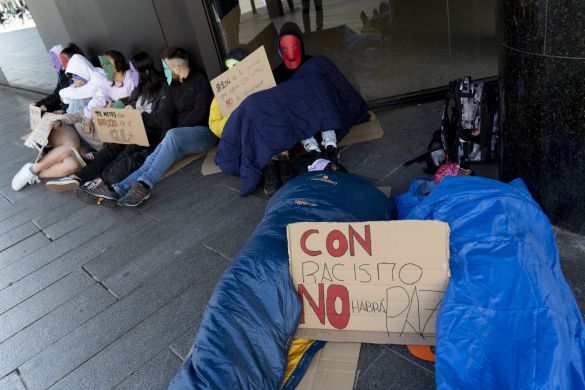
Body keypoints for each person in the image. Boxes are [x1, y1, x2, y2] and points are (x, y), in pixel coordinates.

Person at [81, 47, 215, 207]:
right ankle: (118, 189)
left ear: (177, 68)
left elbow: (201, 112)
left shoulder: (199, 80)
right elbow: (167, 114)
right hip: (177, 138)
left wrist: (173, 133)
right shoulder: (171, 86)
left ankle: (144, 186)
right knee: (151, 159)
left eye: (166, 67)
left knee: (171, 136)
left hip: (203, 133)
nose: (163, 71)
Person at [45, 51, 172, 195]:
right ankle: (80, 176)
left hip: (148, 132)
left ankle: (100, 180)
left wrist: (136, 114)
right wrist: (128, 108)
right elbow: (116, 101)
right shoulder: (135, 87)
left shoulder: (159, 88)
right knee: (112, 148)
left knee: (127, 151)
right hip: (130, 126)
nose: (131, 73)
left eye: (134, 71)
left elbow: (161, 119)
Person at [71, 50, 136, 152]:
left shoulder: (131, 79)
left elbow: (130, 100)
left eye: (107, 64)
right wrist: (88, 118)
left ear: (117, 63)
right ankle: (101, 150)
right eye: (103, 65)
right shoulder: (106, 81)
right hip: (109, 113)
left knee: (99, 123)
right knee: (80, 123)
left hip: (125, 117)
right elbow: (99, 97)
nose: (105, 68)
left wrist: (113, 107)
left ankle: (106, 151)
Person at [11, 112, 85, 191]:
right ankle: (33, 169)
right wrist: (60, 121)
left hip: (87, 146)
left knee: (72, 165)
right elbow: (80, 113)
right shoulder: (97, 103)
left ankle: (38, 174)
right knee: (71, 146)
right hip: (70, 126)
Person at [208, 48, 249, 138]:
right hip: (237, 138)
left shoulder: (261, 83)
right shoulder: (222, 94)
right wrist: (232, 117)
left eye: (234, 65)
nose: (231, 70)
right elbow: (214, 124)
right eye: (228, 68)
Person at [35, 43, 84, 114]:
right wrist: (45, 102)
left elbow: (69, 96)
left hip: (69, 106)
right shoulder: (62, 73)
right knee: (38, 106)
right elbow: (58, 91)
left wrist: (48, 105)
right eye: (52, 59)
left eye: (55, 59)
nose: (53, 63)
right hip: (64, 103)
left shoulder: (72, 74)